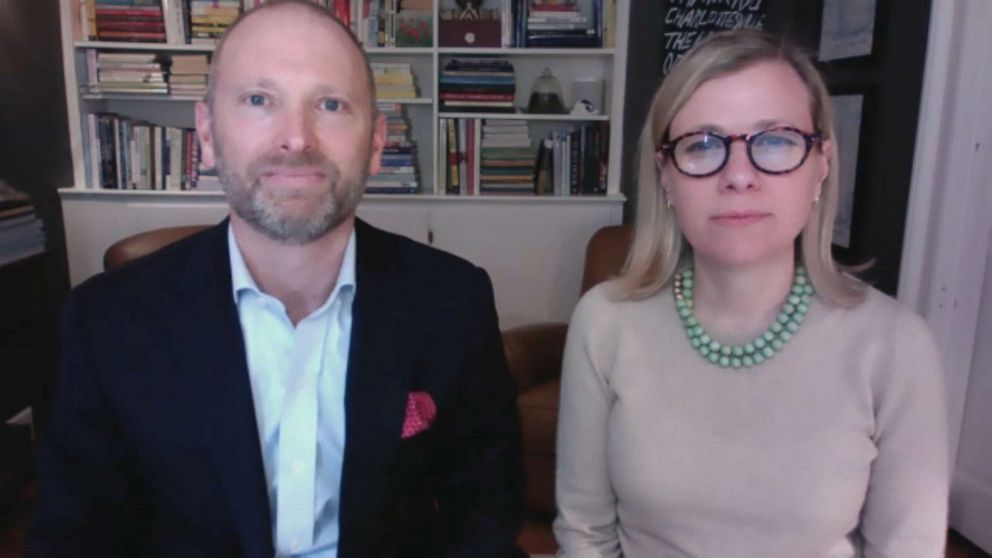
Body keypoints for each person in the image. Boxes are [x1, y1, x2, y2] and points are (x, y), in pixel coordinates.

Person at [28, 1, 524, 556]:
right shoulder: (106, 321)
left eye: (330, 104)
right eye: (259, 100)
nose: (296, 138)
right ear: (209, 134)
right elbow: (74, 538)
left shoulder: (454, 300)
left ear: (378, 143)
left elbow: (485, 515)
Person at [554, 30, 949, 558]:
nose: (739, 176)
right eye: (701, 145)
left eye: (775, 140)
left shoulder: (896, 344)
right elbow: (584, 536)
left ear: (821, 165)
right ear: (665, 175)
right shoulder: (605, 323)